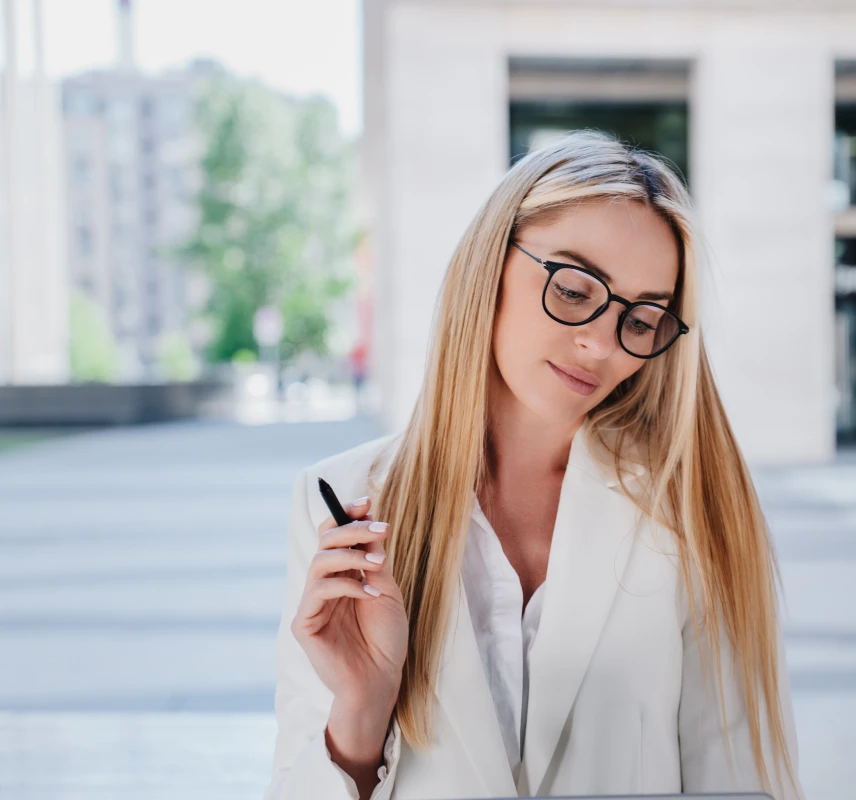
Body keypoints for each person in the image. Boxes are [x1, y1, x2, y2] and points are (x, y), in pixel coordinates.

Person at [264, 130, 805, 800]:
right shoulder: (343, 501)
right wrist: (360, 714)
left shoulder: (689, 506)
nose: (601, 342)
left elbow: (737, 781)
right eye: (576, 290)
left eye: (642, 320)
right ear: (490, 265)